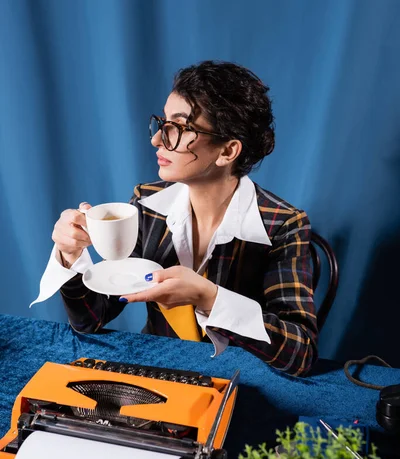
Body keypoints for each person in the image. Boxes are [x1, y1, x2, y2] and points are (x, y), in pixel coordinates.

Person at [41, 60, 318, 377]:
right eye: (162, 123)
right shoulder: (146, 204)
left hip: (242, 381)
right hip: (158, 371)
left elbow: (301, 353)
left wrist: (209, 298)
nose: (157, 140)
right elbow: (91, 318)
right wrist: (70, 254)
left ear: (228, 151)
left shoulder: (282, 224)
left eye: (180, 128)